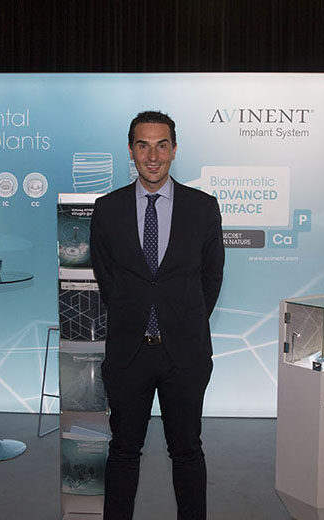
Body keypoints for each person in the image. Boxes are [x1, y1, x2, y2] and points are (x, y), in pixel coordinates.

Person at [90, 110, 225, 520]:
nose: (153, 156)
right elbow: (107, 278)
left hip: (184, 354)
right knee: (123, 451)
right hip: (128, 353)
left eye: (161, 145)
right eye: (143, 146)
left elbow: (211, 278)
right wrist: (135, 315)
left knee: (187, 452)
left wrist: (182, 321)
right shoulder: (107, 208)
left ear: (174, 149)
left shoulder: (203, 208)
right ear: (131, 151)